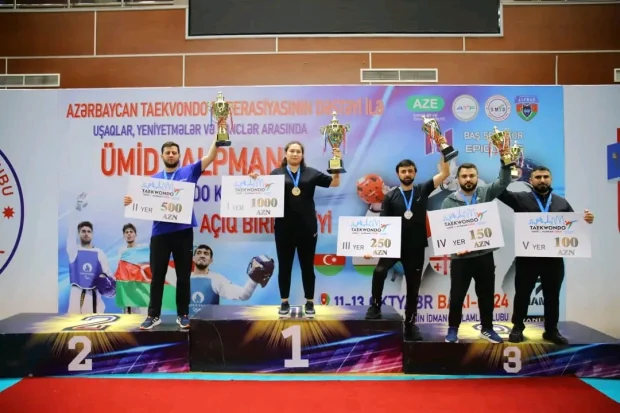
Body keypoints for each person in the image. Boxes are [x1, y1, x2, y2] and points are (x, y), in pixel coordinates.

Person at [124, 139, 218, 330]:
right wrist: (130, 201)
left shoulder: (189, 172)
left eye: (174, 152)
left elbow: (210, 157)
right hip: (160, 234)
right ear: (162, 155)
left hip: (183, 232)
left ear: (179, 155)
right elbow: (141, 202)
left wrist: (218, 137)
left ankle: (183, 315)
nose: (171, 155)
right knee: (157, 276)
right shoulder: (153, 180)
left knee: (183, 276)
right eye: (167, 152)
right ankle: (153, 315)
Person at [498, 166, 594, 344]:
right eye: (538, 177)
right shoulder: (520, 198)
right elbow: (500, 192)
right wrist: (505, 168)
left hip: (553, 260)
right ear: (530, 180)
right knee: (522, 294)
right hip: (527, 259)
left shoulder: (561, 202)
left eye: (545, 177)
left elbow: (574, 226)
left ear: (550, 179)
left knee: (552, 296)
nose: (542, 180)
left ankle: (551, 330)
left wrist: (586, 220)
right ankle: (518, 327)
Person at [250, 141, 340, 316]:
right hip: (283, 228)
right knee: (285, 266)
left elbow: (335, 183)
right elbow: (262, 191)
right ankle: (284, 302)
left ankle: (309, 302)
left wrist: (336, 164)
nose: (295, 154)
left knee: (307, 267)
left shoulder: (311, 173)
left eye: (298, 151)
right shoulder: (276, 174)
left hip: (307, 228)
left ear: (302, 155)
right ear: (286, 154)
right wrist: (255, 179)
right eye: (291, 151)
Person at [364, 157, 450, 341]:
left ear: (415, 173)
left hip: (416, 248)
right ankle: (375, 306)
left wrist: (443, 150)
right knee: (379, 271)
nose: (407, 174)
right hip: (393, 246)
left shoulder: (422, 189)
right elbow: (383, 225)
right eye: (403, 171)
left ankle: (410, 325)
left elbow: (445, 173)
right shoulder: (390, 196)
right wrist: (373, 247)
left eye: (410, 171)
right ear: (398, 174)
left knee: (413, 287)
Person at [441, 159, 512, 344]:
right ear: (458, 179)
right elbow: (445, 232)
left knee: (486, 295)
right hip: (461, 258)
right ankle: (453, 329)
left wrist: (505, 165)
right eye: (464, 176)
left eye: (471, 175)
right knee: (457, 296)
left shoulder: (485, 192)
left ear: (477, 177)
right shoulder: (448, 202)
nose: (468, 179)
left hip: (484, 256)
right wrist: (455, 247)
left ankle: (487, 328)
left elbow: (503, 182)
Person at [166, 244, 274, 316]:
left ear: (211, 260)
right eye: (198, 253)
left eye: (206, 253)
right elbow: (160, 266)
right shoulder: (181, 277)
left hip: (209, 330)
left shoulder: (217, 279)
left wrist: (254, 278)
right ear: (193, 258)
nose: (202, 255)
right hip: (185, 327)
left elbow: (243, 295)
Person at [67, 193, 113, 314]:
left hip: (94, 297)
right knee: (74, 324)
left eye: (89, 231)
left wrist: (109, 285)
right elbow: (71, 231)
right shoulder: (74, 251)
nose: (86, 233)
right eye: (83, 231)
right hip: (76, 296)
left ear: (92, 234)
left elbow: (108, 275)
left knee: (95, 326)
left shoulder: (99, 253)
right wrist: (77, 209)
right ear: (79, 234)